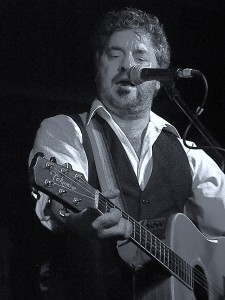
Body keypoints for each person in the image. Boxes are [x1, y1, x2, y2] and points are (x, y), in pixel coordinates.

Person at [29, 7, 225, 300]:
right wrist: (78, 218)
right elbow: (57, 202)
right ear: (99, 66)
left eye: (141, 57)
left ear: (159, 78)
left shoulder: (189, 155)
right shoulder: (66, 130)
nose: (127, 65)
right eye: (114, 54)